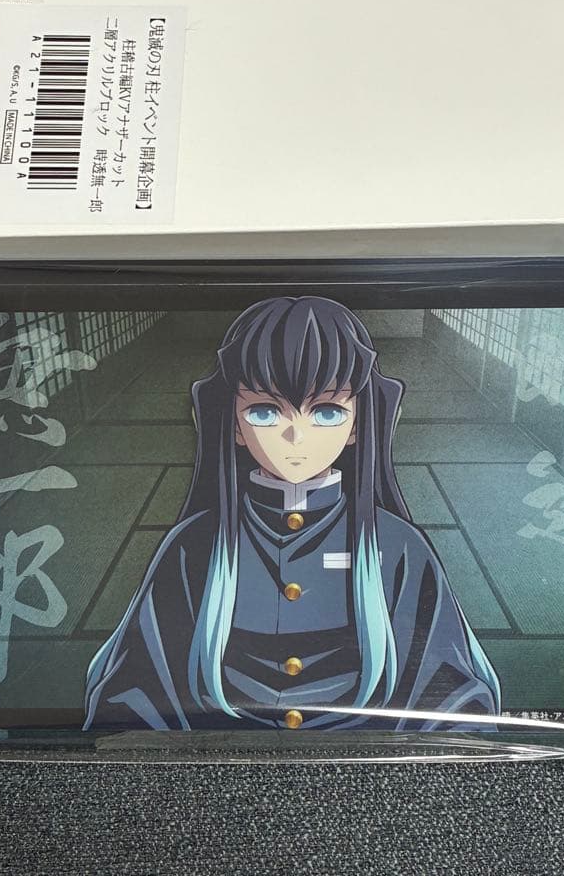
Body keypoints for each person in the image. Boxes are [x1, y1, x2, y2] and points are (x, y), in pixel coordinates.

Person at [83, 296, 500, 732]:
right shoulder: (194, 546)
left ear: (357, 424)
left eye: (327, 412)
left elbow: (455, 700)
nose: (296, 436)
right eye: (265, 412)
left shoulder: (398, 548)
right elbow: (130, 696)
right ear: (234, 424)